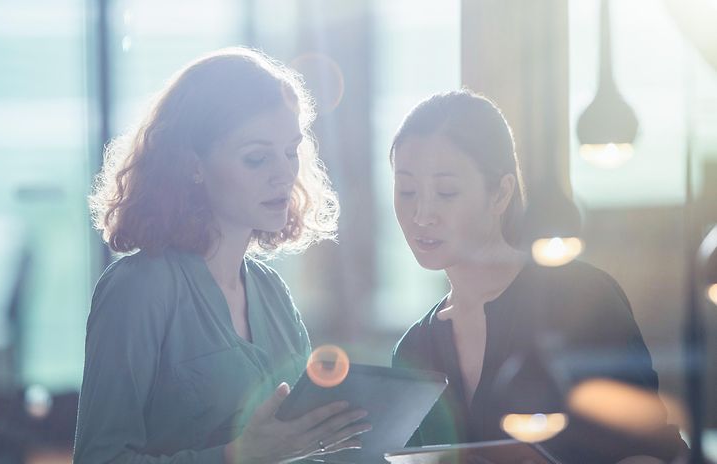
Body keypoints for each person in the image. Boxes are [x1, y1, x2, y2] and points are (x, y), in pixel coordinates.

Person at [74, 47, 370, 464]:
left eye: (290, 152)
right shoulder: (138, 290)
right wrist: (237, 457)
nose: (284, 173)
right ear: (193, 164)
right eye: (256, 157)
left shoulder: (270, 291)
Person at [389, 90, 687, 463]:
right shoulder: (413, 351)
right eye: (407, 191)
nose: (421, 215)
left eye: (446, 192)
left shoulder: (582, 299)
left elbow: (650, 450)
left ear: (500, 193)